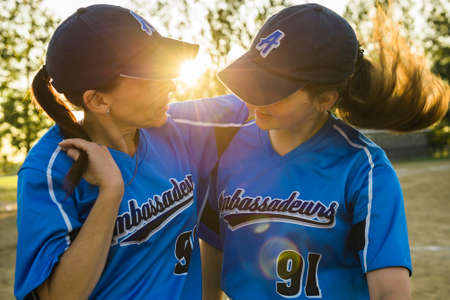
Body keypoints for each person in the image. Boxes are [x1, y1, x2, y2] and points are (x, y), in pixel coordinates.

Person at [199, 3, 449, 300]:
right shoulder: (226, 149)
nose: (254, 97)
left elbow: (390, 293)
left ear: (325, 99)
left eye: (272, 89)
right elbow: (211, 255)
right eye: (254, 79)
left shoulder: (365, 170)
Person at [14, 4, 248, 300]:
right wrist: (110, 193)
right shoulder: (50, 170)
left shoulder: (177, 125)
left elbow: (267, 102)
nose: (173, 86)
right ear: (98, 100)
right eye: (154, 76)